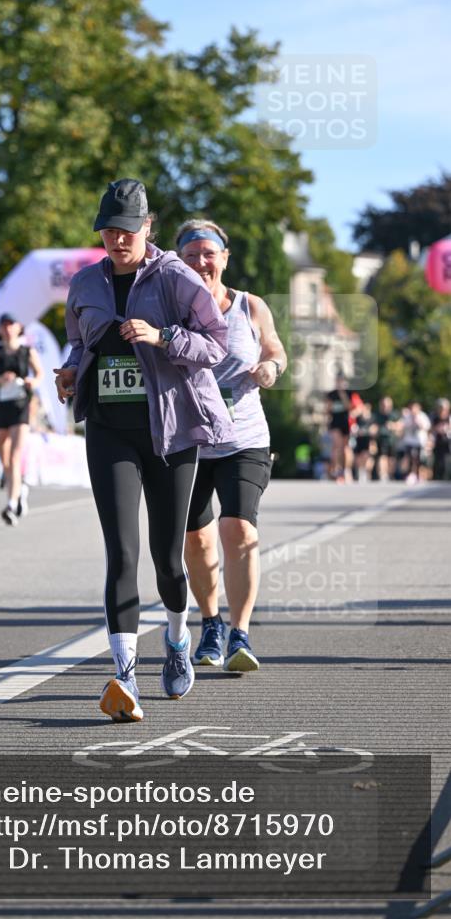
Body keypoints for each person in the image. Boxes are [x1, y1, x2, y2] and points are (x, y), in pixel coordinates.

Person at [54, 179, 232, 723]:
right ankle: (123, 670)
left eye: (127, 229)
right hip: (110, 429)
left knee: (166, 553)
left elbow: (216, 343)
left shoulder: (176, 277)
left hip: (170, 433)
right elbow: (79, 340)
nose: (116, 238)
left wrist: (162, 338)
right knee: (122, 551)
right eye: (108, 229)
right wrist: (69, 367)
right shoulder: (85, 282)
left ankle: (178, 640)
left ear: (147, 229)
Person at [176, 219, 286, 672]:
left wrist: (271, 368)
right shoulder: (170, 309)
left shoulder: (249, 306)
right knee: (196, 538)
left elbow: (275, 348)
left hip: (244, 439)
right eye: (190, 255)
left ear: (224, 257)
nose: (201, 262)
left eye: (209, 253)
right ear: (177, 261)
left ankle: (240, 632)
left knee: (238, 530)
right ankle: (210, 624)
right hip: (188, 440)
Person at [0, 313, 43, 527]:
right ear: (0, 329)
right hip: (0, 406)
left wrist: (31, 381)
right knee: (6, 458)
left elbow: (39, 375)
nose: (8, 328)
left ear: (19, 327)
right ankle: (19, 490)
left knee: (16, 455)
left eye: (12, 325)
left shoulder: (27, 351)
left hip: (21, 406)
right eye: (4, 325)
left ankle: (11, 504)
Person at [326, 373, 360, 482]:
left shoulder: (351, 394)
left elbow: (353, 408)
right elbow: (328, 409)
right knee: (337, 446)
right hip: (335, 423)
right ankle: (337, 470)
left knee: (346, 448)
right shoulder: (331, 394)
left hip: (347, 423)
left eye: (341, 381)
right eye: (337, 381)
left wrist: (343, 395)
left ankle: (347, 470)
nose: (339, 383)